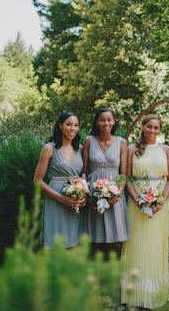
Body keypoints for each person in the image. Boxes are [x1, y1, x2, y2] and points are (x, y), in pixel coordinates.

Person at [121, 114, 169, 309]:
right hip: (137, 203)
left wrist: (160, 203)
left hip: (160, 204)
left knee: (156, 244)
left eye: (156, 128)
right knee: (137, 243)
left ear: (160, 130)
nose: (152, 131)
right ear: (143, 127)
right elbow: (125, 178)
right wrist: (138, 200)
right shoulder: (131, 149)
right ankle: (135, 291)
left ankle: (155, 291)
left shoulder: (166, 149)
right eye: (149, 127)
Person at [34, 112, 87, 249]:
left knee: (75, 244)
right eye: (68, 124)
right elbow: (37, 181)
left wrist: (84, 197)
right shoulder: (49, 148)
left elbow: (84, 176)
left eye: (76, 125)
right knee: (56, 243)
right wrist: (62, 199)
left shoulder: (80, 149)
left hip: (76, 202)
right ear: (60, 125)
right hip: (56, 200)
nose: (72, 129)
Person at [82, 108, 129, 258]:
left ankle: (112, 274)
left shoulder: (122, 142)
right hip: (93, 192)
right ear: (97, 122)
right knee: (94, 236)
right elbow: (84, 171)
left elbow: (124, 174)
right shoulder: (89, 140)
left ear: (114, 122)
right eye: (102, 120)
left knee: (112, 237)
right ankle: (94, 274)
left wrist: (118, 194)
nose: (106, 123)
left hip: (114, 192)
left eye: (109, 120)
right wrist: (88, 194)